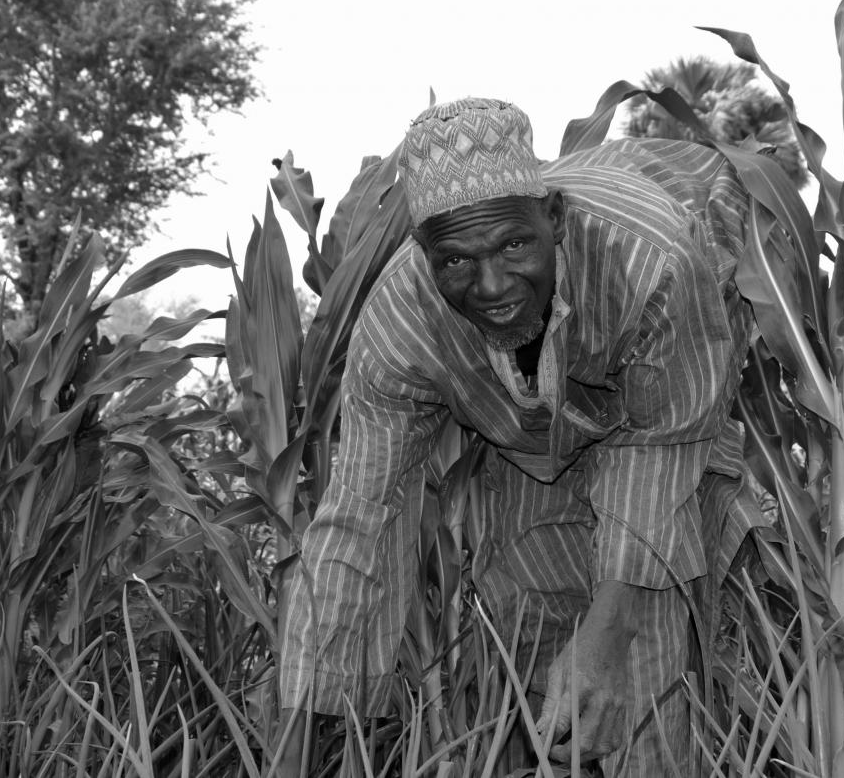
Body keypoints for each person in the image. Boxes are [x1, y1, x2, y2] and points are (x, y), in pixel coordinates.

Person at [279, 97, 763, 775]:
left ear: (555, 218)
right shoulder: (400, 328)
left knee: (641, 653)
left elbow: (661, 445)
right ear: (424, 254)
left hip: (665, 409)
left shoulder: (648, 258)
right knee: (532, 619)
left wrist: (609, 628)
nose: (493, 285)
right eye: (456, 261)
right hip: (530, 447)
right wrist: (294, 738)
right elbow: (359, 517)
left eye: (514, 244)